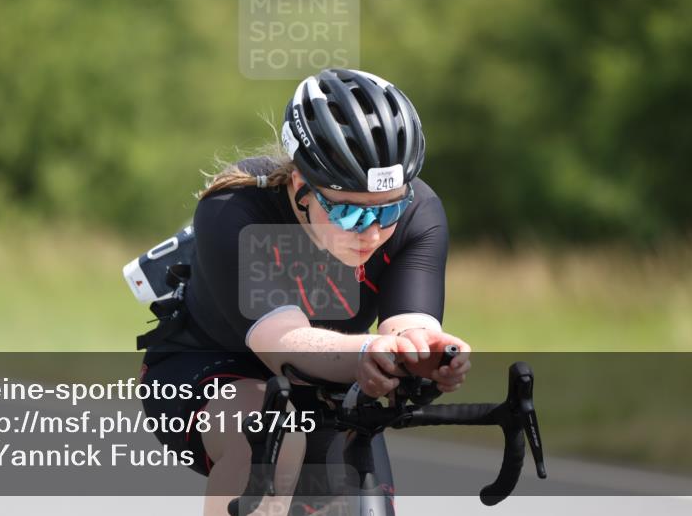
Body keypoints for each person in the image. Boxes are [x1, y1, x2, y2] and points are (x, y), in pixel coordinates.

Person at [138, 68, 471, 516]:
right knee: (277, 444)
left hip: (333, 371)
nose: (372, 233)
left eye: (390, 208)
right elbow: (284, 345)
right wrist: (370, 350)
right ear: (300, 189)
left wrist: (429, 352)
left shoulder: (421, 213)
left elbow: (410, 321)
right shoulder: (236, 211)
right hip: (209, 366)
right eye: (350, 214)